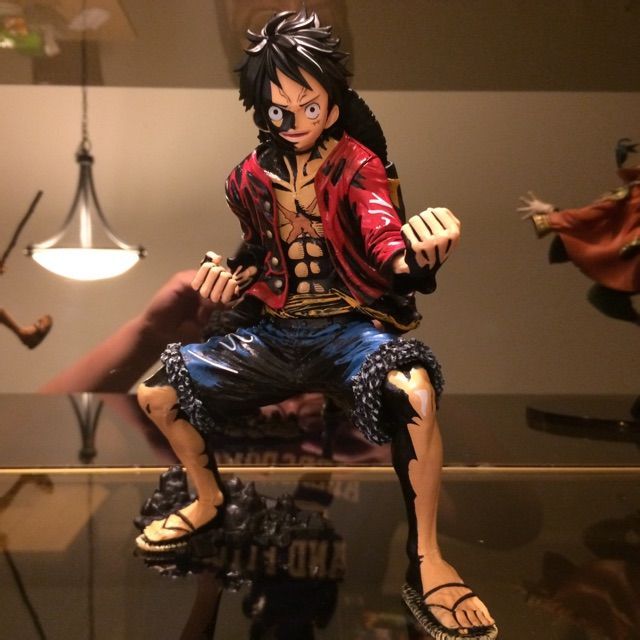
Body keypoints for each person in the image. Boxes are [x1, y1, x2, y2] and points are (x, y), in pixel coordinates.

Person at [135, 10, 496, 639]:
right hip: (276, 334)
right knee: (157, 394)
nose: (296, 121)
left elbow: (385, 243)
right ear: (261, 110)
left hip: (347, 333)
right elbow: (257, 253)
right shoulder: (247, 179)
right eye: (280, 111)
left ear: (332, 104)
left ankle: (428, 560)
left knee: (415, 393)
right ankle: (209, 499)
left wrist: (419, 256)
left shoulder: (357, 166)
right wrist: (228, 277)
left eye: (309, 107)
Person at [518, 138, 640, 325]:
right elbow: (591, 215)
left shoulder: (629, 195)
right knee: (601, 296)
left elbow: (591, 215)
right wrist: (552, 213)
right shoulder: (629, 195)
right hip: (632, 257)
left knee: (601, 296)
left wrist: (551, 214)